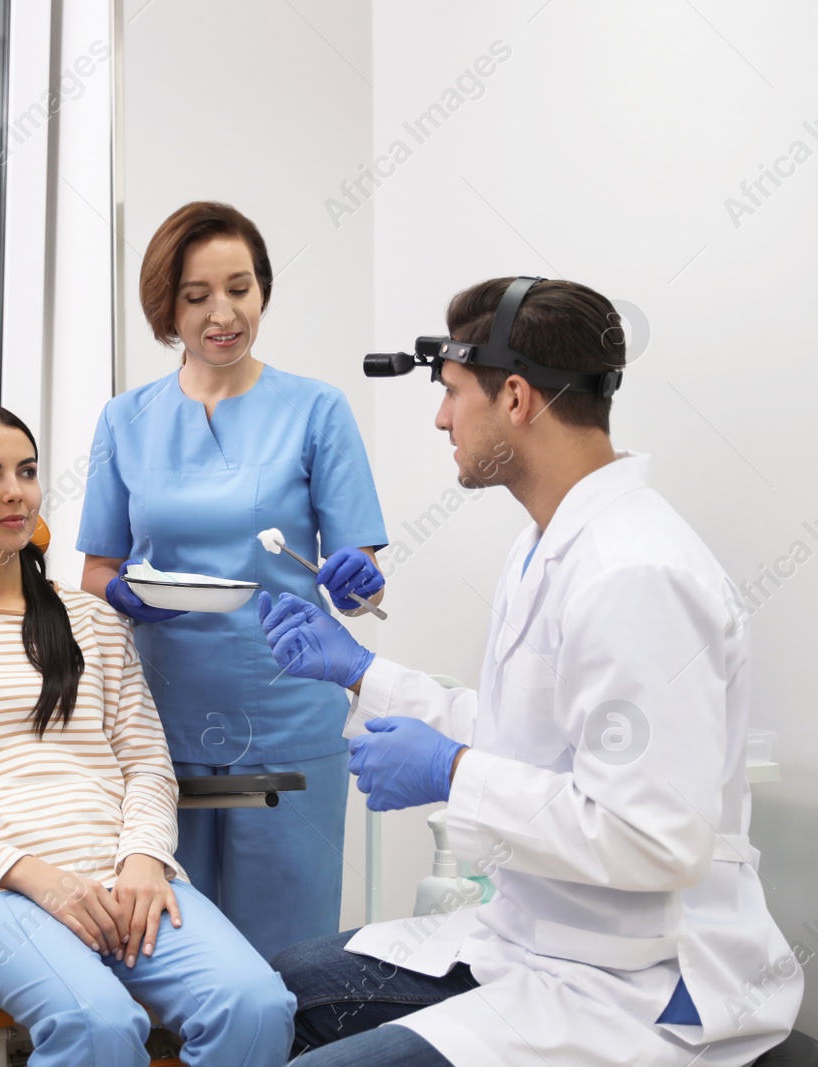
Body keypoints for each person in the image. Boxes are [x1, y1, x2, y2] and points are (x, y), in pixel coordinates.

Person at [263, 278, 800, 1066]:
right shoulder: (550, 543)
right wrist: (362, 672)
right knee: (274, 991)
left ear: (515, 397)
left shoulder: (635, 571)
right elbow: (535, 741)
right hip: (540, 943)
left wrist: (453, 772)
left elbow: (658, 839)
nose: (442, 418)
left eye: (451, 394)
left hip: (644, 982)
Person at [0, 403, 293, 1066]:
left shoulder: (92, 619)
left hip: (119, 877)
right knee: (99, 1022)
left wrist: (144, 859)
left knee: (257, 1003)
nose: (15, 491)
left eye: (26, 471)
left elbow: (146, 765)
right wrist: (37, 877)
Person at [77, 201, 388, 961]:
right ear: (167, 308)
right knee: (175, 953)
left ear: (263, 290)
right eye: (197, 296)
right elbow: (96, 569)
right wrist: (120, 593)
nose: (224, 313)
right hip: (162, 724)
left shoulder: (318, 409)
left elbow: (364, 577)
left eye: (241, 288)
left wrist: (358, 582)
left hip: (289, 719)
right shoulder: (126, 420)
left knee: (291, 957)